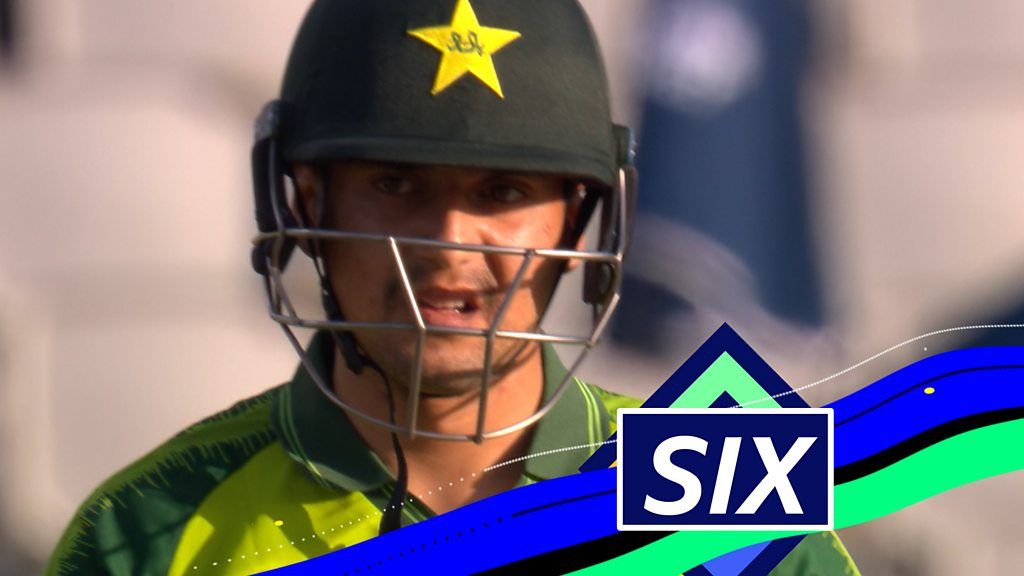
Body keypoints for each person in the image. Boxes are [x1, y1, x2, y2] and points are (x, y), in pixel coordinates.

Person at [46, 1, 858, 574]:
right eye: (397, 184)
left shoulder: (733, 503)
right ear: (302, 199)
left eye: (504, 192)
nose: (448, 244)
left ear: (583, 221)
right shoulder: (151, 527)